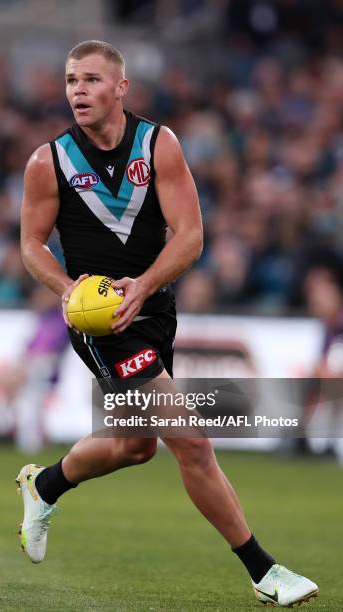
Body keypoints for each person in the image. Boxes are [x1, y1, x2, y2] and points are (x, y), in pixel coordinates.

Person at [16, 40, 318, 607]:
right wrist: (68, 289)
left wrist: (144, 287)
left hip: (154, 310)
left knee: (135, 447)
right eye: (70, 81)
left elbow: (191, 235)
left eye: (90, 80)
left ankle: (45, 484)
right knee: (193, 441)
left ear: (121, 88)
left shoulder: (159, 145)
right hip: (101, 326)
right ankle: (265, 572)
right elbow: (31, 245)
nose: (77, 91)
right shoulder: (47, 162)